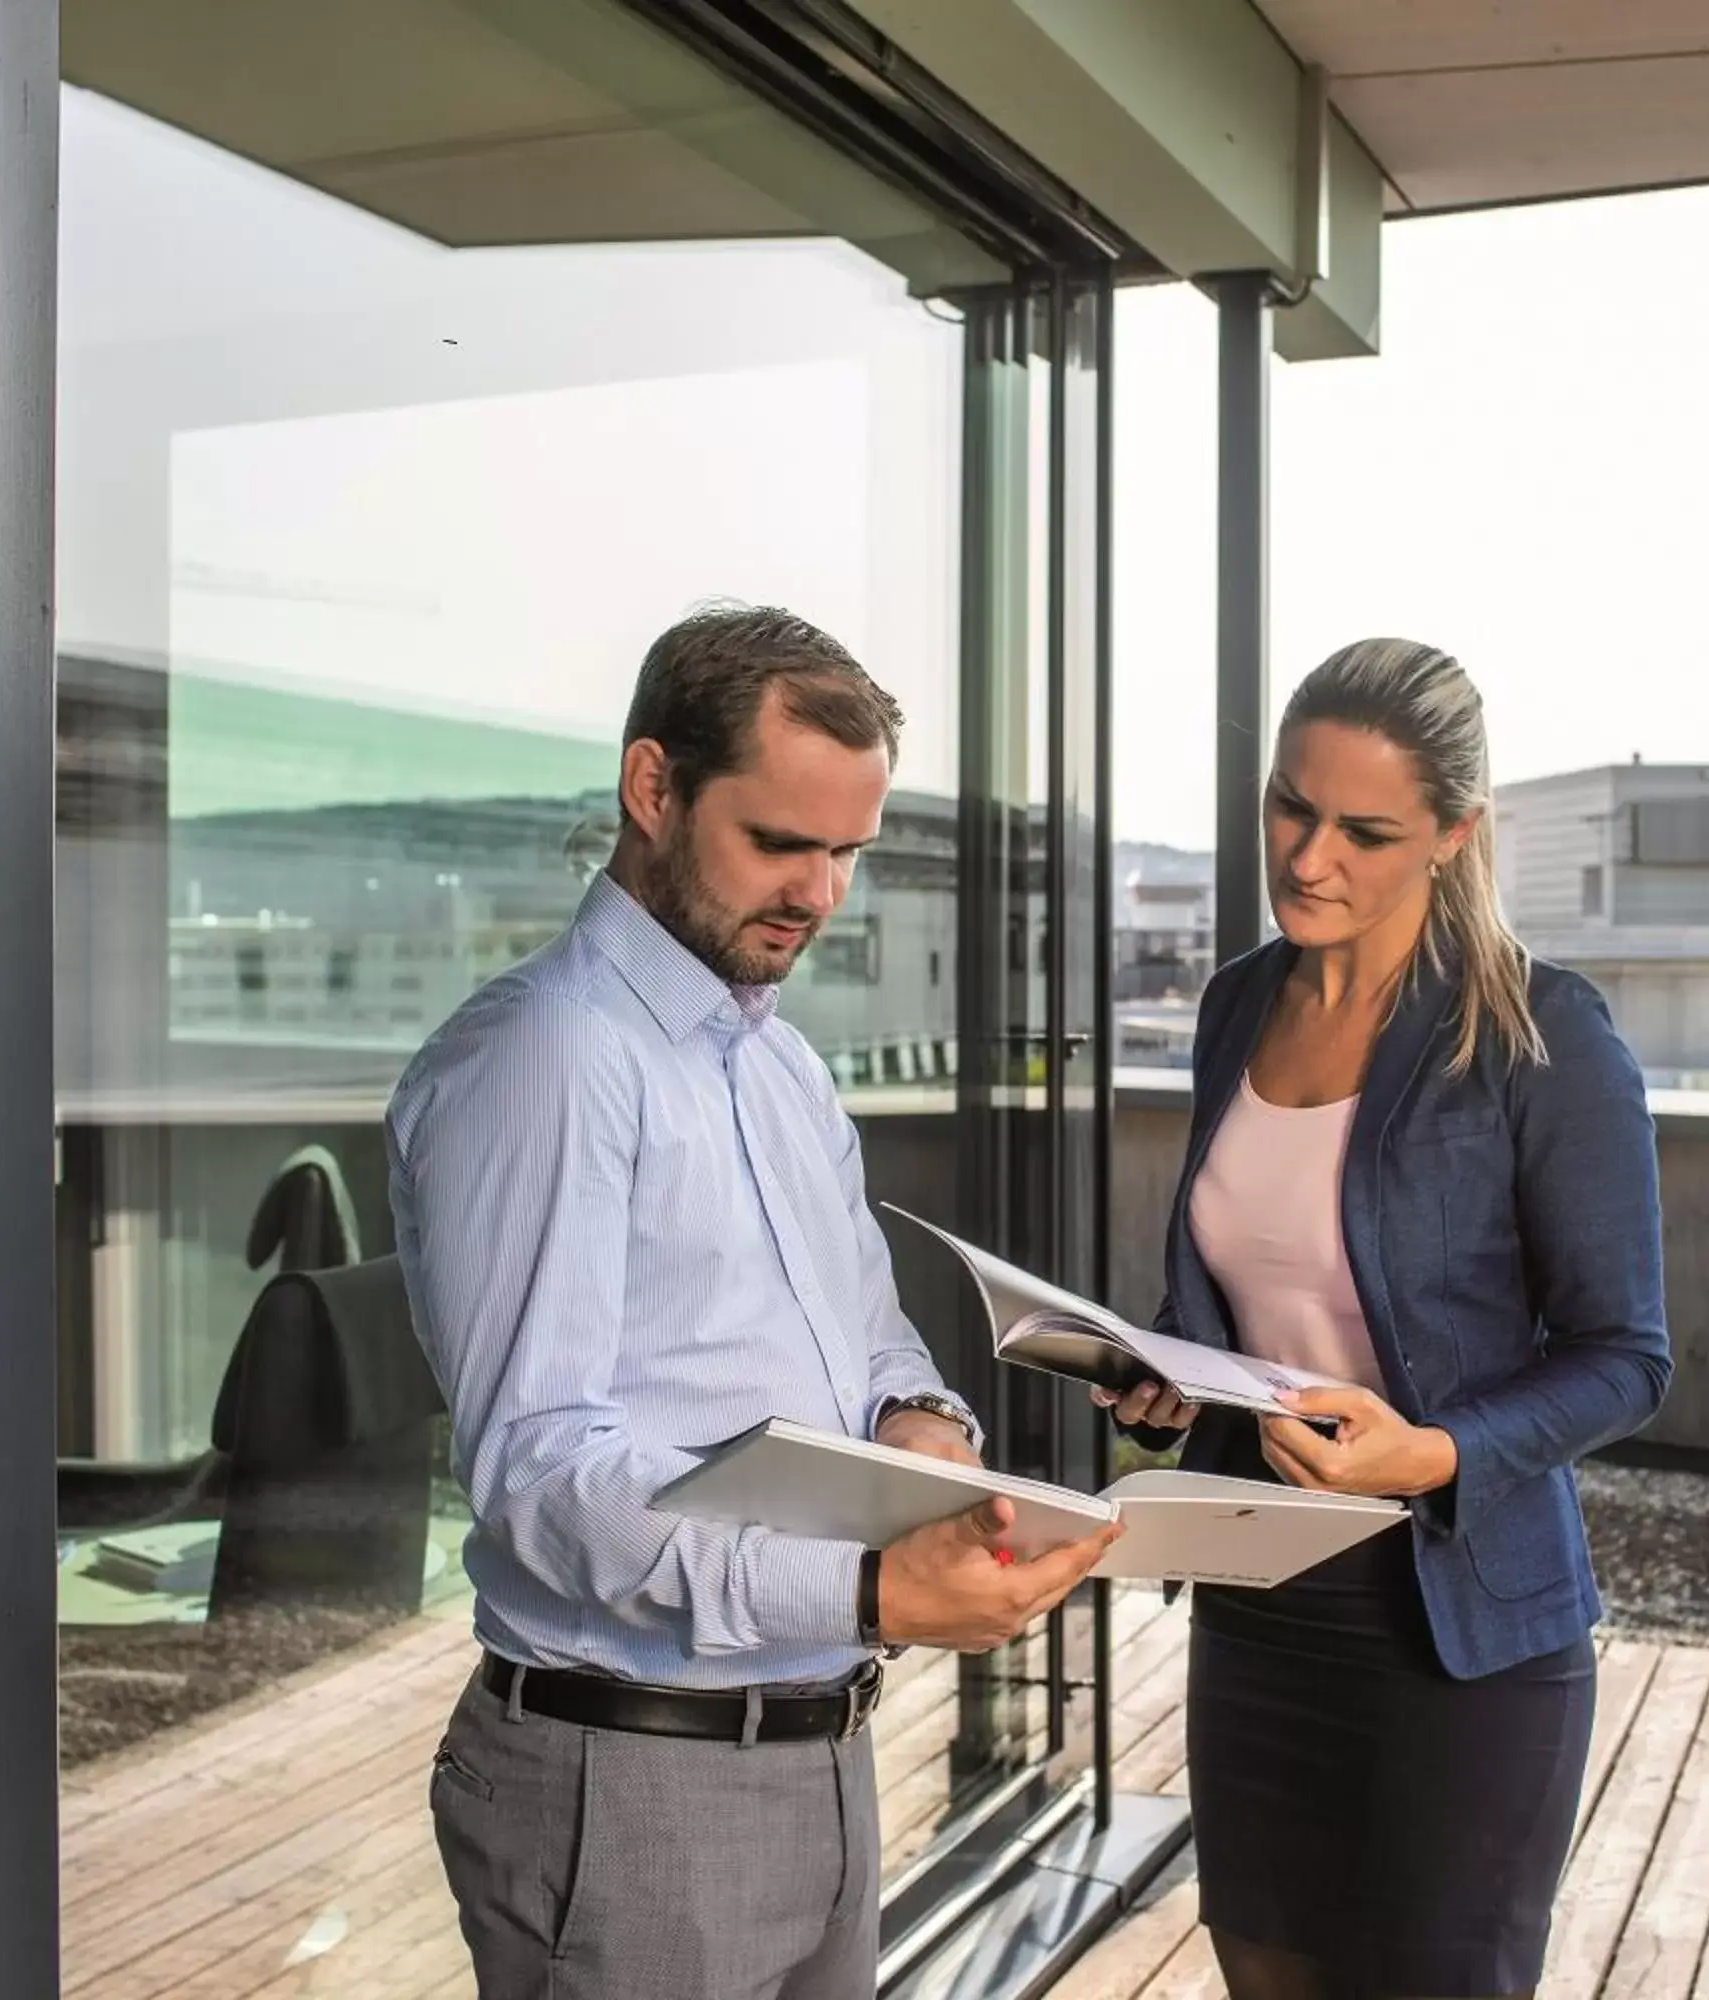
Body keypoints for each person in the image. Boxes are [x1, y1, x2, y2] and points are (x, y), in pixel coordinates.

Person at [389, 605, 1121, 1999]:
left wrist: (919, 1434)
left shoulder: (778, 1070)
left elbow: (867, 1335)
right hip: (633, 1788)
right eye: (782, 844)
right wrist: (866, 1580)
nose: (822, 895)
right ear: (653, 787)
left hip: (822, 1756)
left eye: (847, 852)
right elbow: (543, 1478)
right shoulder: (550, 1060)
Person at [1102, 639, 1671, 2000]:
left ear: (1452, 837)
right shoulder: (1239, 1003)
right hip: (1260, 1608)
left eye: (1365, 831)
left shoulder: (1541, 1034)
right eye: (1289, 808)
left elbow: (1626, 1358)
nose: (1308, 857)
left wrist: (1426, 1451)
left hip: (1458, 1636)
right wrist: (1163, 1365)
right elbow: (1253, 1278)